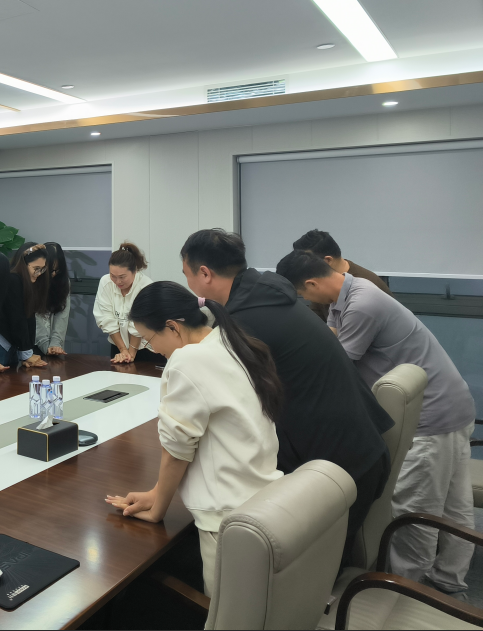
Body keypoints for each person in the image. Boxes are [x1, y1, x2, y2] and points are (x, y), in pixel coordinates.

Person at [179, 229, 393, 564]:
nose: (189, 284)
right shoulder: (269, 296)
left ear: (204, 273)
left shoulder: (244, 323)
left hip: (338, 477)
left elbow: (222, 406)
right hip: (360, 453)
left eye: (187, 274)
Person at [277, 250, 477, 596]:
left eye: (302, 294)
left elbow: (338, 365)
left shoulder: (362, 304)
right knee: (453, 505)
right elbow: (331, 341)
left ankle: (404, 592)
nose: (306, 301)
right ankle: (447, 581)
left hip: (430, 419)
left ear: (311, 283)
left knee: (413, 510)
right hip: (451, 406)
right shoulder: (347, 296)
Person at [105, 281, 282, 597]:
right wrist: (157, 491)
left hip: (226, 519)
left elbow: (176, 450)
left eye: (149, 340)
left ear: (173, 327)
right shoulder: (228, 341)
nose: (153, 350)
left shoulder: (189, 360)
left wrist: (158, 508)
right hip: (262, 500)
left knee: (228, 613)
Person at [292, 229, 391, 322]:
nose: (303, 268)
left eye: (307, 262)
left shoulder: (363, 287)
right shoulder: (321, 281)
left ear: (327, 261)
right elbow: (315, 318)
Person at [93, 241, 158, 365]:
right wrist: (123, 350)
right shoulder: (106, 282)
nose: (117, 281)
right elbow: (106, 318)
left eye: (122, 277)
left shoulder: (146, 286)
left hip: (146, 349)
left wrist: (130, 354)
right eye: (113, 276)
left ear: (135, 271)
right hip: (118, 347)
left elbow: (139, 324)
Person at [0, 243, 48, 369]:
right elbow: (17, 318)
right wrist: (26, 354)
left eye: (42, 269)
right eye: (36, 268)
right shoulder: (13, 280)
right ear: (23, 264)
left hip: (12, 344)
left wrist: (28, 352)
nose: (39, 273)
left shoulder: (26, 283)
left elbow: (29, 318)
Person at [35, 241, 71, 356]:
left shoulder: (63, 282)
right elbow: (34, 317)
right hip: (32, 343)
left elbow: (62, 314)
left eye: (57, 270)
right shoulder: (33, 280)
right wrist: (46, 345)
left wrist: (55, 343)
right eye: (50, 270)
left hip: (54, 346)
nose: (54, 274)